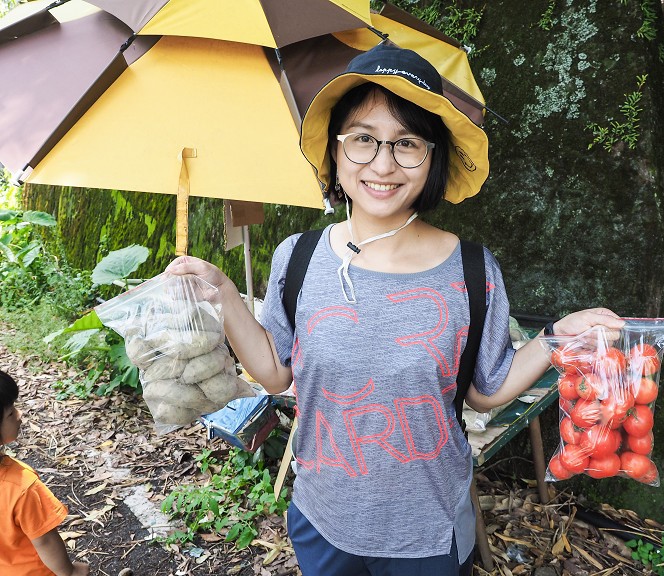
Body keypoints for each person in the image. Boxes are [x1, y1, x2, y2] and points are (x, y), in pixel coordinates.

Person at [167, 43, 624, 576]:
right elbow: (273, 371)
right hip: (322, 521)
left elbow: (485, 389)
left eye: (407, 143)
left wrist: (556, 338)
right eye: (362, 139)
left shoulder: (473, 272)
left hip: (426, 532)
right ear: (335, 152)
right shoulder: (299, 257)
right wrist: (222, 292)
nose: (382, 164)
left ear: (432, 158)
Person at [0, 370, 90, 576]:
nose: (19, 415)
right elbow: (44, 539)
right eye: (10, 413)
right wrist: (70, 571)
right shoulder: (20, 487)